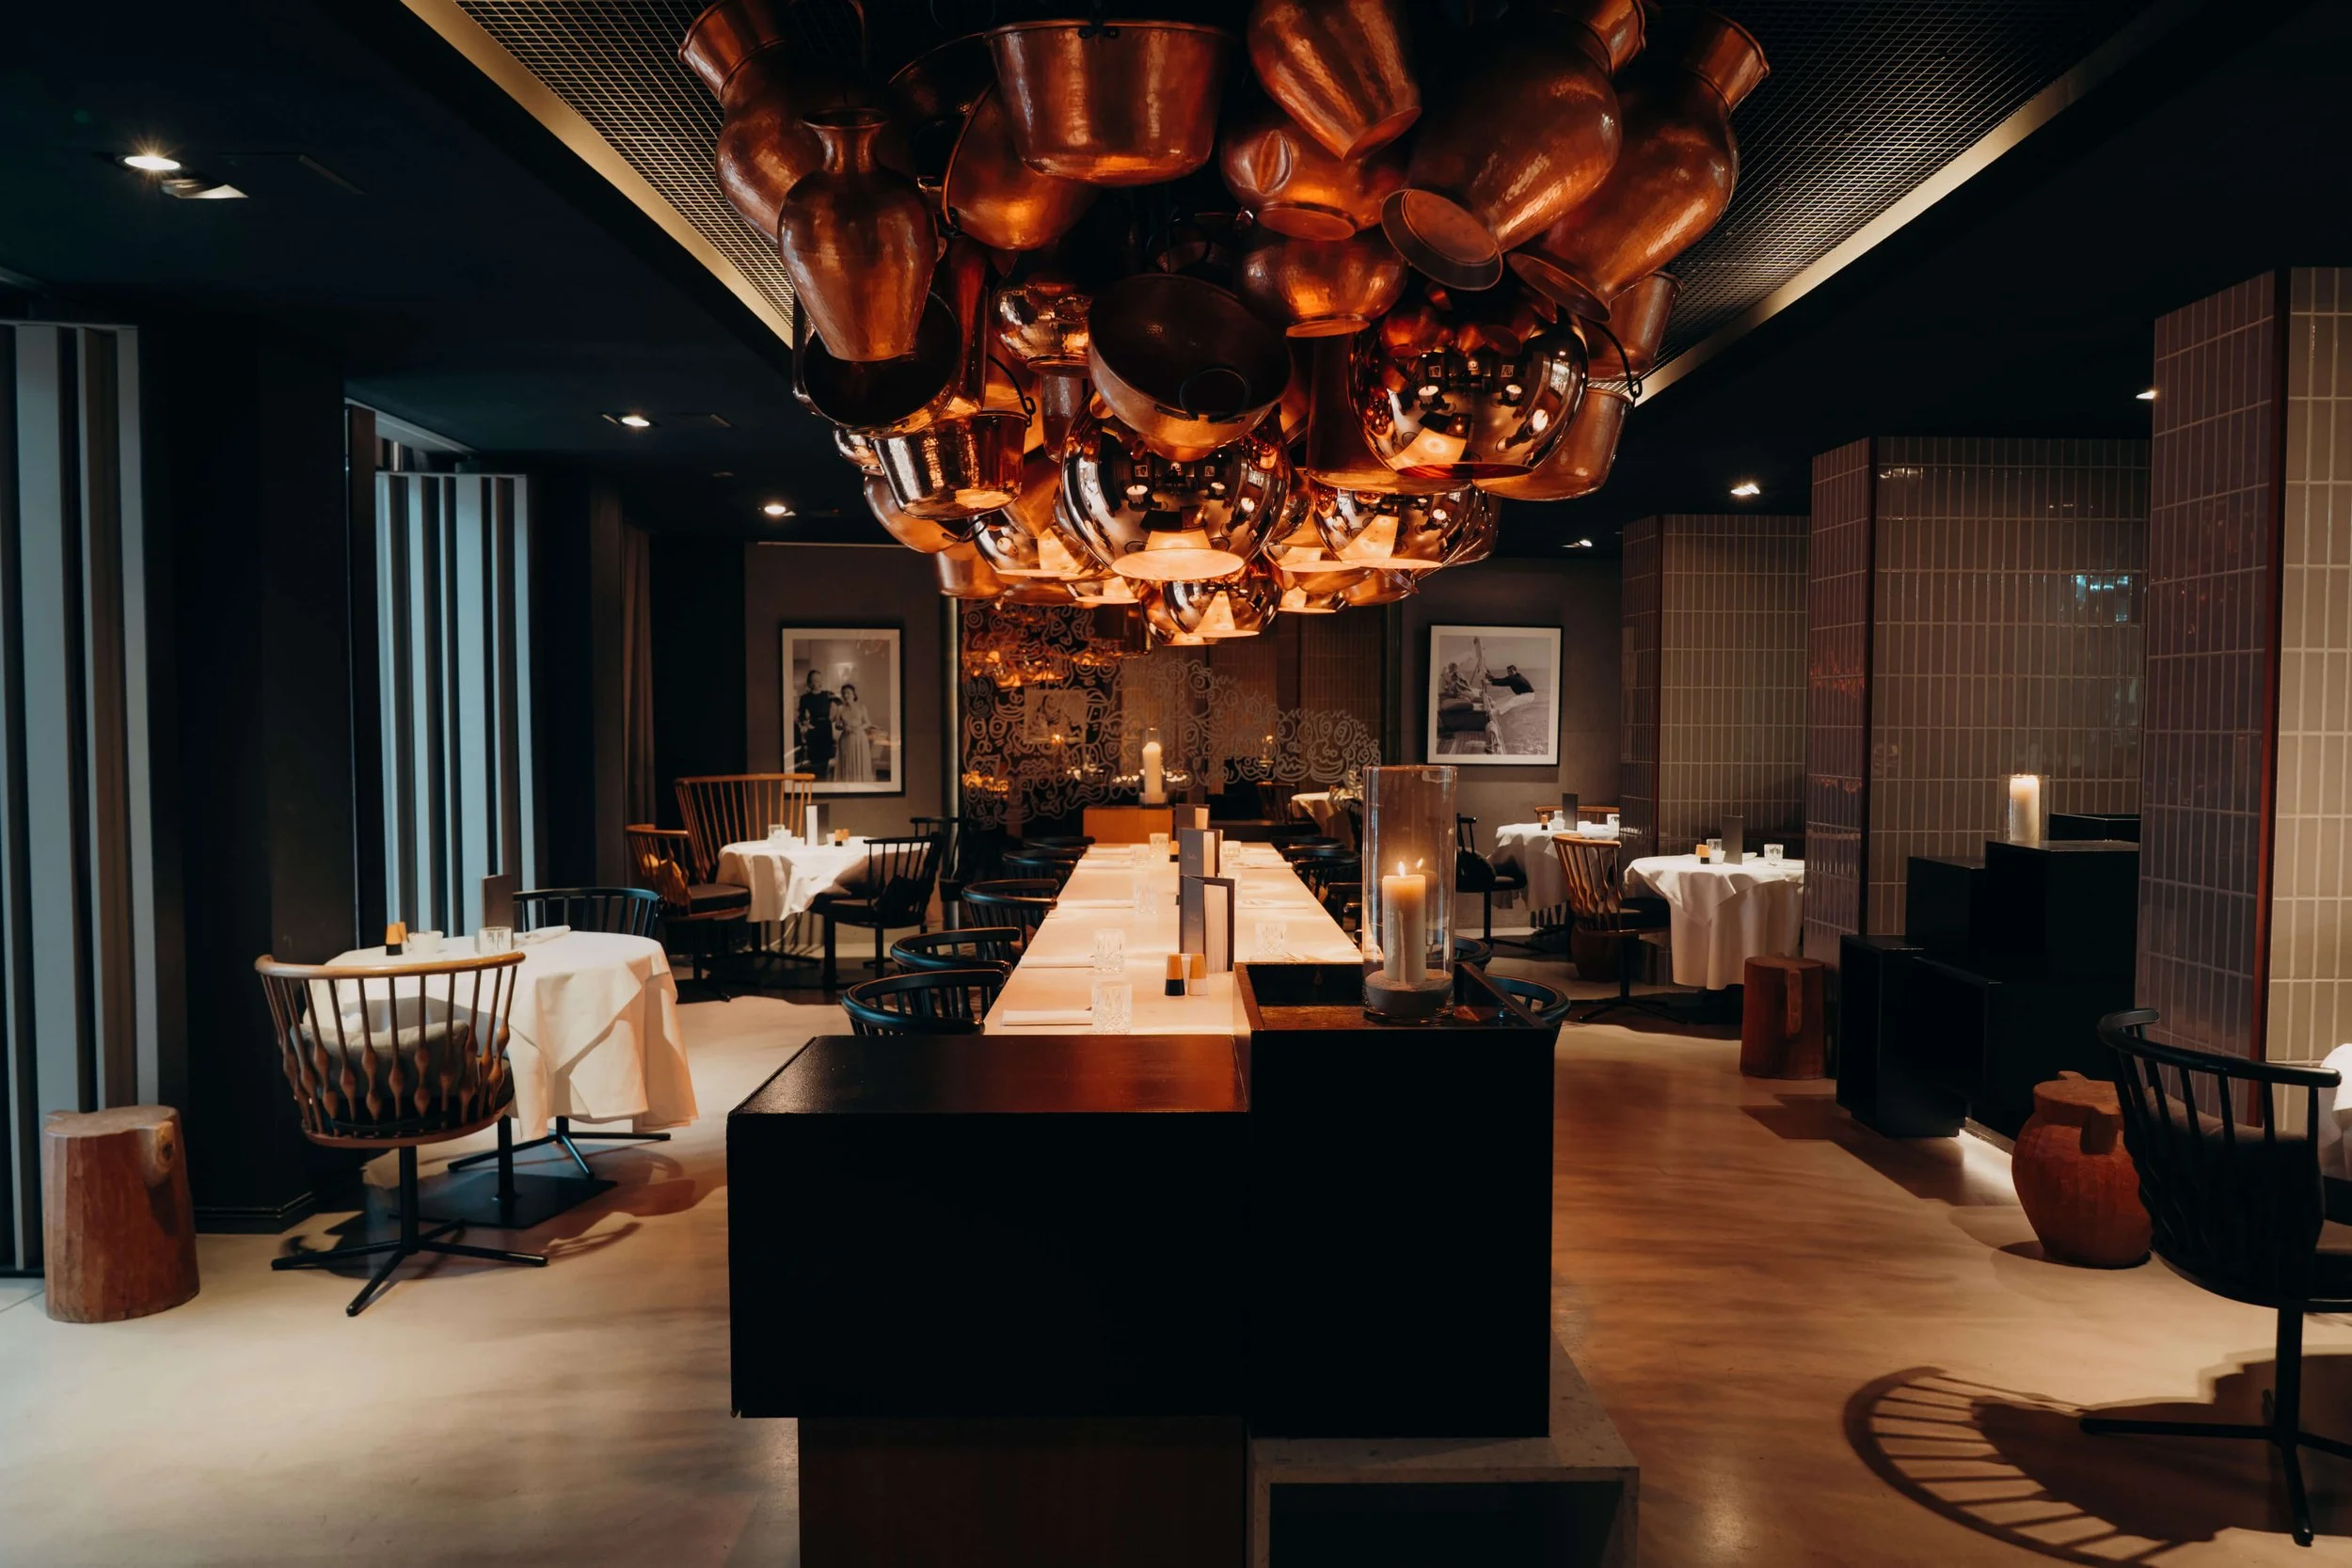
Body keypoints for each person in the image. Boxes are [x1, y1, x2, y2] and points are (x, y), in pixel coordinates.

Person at [794, 668, 836, 781]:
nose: (816, 683)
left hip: (826, 728)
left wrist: (835, 717)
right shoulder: (805, 698)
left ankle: (824, 781)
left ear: (821, 681)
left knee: (825, 758)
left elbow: (841, 704)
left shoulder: (828, 694)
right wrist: (807, 725)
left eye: (818, 680)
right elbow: (801, 715)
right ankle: (815, 783)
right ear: (809, 682)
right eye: (813, 680)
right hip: (814, 729)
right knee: (814, 759)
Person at [834, 681, 874, 784]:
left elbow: (868, 723)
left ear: (854, 694)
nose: (846, 695)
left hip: (860, 738)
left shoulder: (861, 707)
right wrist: (843, 726)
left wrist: (858, 728)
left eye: (848, 692)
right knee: (848, 762)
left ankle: (861, 784)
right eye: (843, 693)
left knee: (860, 761)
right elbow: (837, 725)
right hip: (846, 739)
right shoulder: (840, 708)